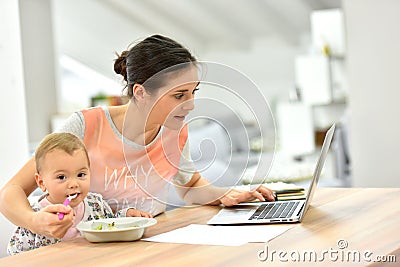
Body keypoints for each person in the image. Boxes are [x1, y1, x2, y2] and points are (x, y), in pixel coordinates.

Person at [0, 34, 275, 240]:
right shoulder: (86, 126)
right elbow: (10, 192)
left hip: (148, 244)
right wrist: (34, 221)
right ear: (141, 93)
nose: (190, 105)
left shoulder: (175, 131)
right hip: (86, 251)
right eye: (179, 95)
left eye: (194, 92)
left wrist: (227, 194)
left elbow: (189, 186)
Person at [7, 132, 151, 255]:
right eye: (61, 177)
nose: (74, 184)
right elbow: (16, 254)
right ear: (41, 183)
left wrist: (126, 215)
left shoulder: (96, 204)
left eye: (81, 174)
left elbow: (110, 224)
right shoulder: (37, 216)